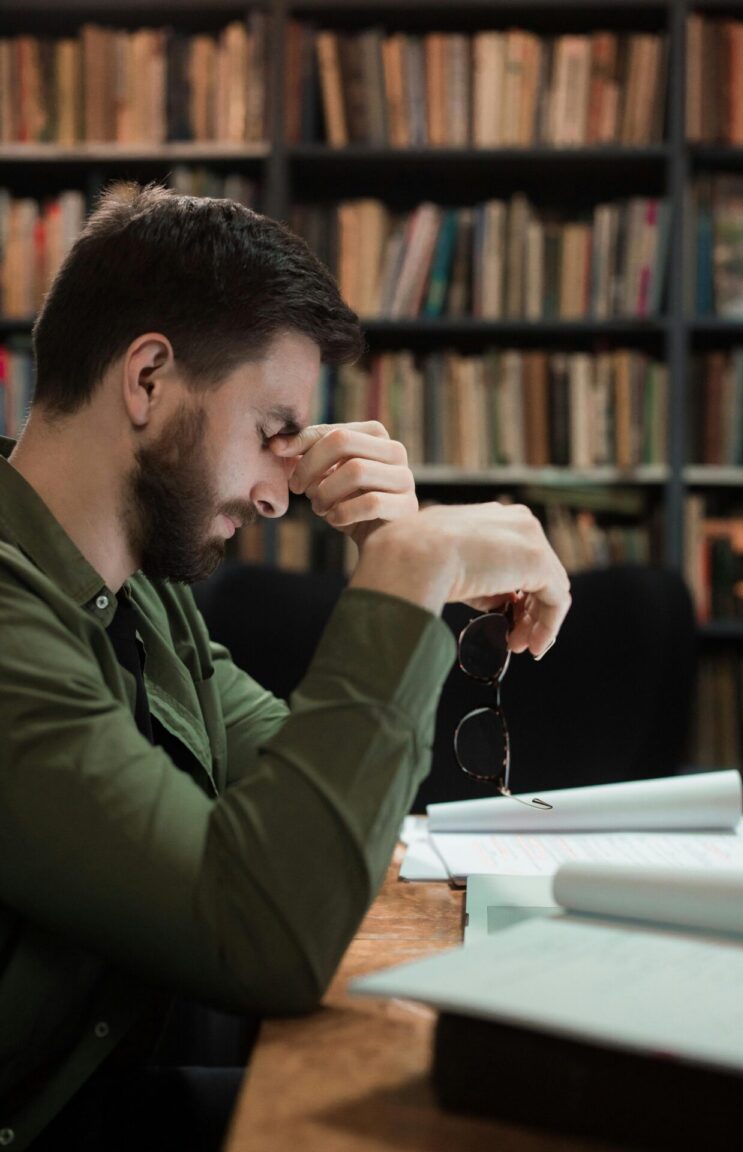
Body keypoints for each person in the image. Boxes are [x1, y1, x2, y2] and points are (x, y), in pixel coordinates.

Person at [0, 184, 570, 1151]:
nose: (279, 494)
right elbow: (268, 930)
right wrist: (413, 569)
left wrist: (399, 543)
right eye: (273, 433)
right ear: (147, 379)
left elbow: (312, 816)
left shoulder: (148, 598)